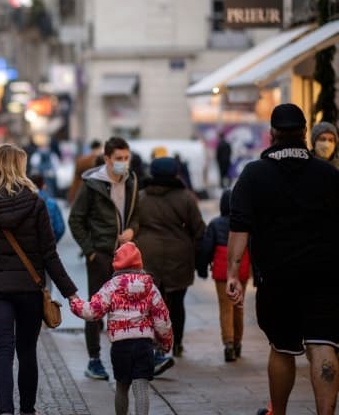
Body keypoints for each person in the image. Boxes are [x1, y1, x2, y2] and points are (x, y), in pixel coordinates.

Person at [227, 103, 339, 415]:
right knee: (324, 345)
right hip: (325, 278)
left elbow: (239, 228)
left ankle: (278, 411)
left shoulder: (254, 175)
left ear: (271, 135)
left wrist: (234, 273)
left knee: (282, 347)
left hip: (278, 280)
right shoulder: (328, 174)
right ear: (305, 133)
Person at [0, 143, 79, 415]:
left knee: (3, 352)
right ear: (19, 167)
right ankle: (27, 410)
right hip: (29, 289)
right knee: (27, 352)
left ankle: (5, 411)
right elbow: (50, 255)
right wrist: (70, 292)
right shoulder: (36, 203)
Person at [71, 242, 173, 415]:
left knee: (121, 386)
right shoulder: (150, 287)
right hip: (144, 345)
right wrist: (165, 343)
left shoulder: (111, 287)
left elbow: (92, 312)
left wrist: (74, 301)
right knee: (141, 388)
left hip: (121, 346)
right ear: (139, 262)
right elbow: (162, 320)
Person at [68, 136, 140, 381]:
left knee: (125, 307)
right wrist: (90, 252)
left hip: (125, 255)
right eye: (118, 159)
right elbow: (75, 220)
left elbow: (136, 215)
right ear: (107, 159)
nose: (123, 163)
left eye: (126, 158)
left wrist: (132, 231)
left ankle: (123, 356)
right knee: (95, 307)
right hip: (100, 254)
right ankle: (94, 359)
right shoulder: (92, 185)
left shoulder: (131, 181)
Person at [136, 157, 205, 368]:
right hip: (179, 256)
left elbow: (133, 224)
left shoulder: (140, 197)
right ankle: (176, 343)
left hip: (148, 255)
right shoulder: (186, 197)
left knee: (151, 304)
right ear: (176, 173)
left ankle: (154, 342)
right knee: (177, 303)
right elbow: (199, 228)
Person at [197, 190, 250, 362]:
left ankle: (228, 344)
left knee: (225, 308)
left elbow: (206, 248)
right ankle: (238, 343)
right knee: (239, 306)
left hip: (221, 269)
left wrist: (202, 268)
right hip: (242, 267)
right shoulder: (245, 222)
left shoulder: (215, 223)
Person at [30, 174, 65, 243]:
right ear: (44, 186)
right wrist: (52, 242)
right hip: (48, 243)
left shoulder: (23, 202)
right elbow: (60, 229)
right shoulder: (52, 203)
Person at [67, 139, 102, 204]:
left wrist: (71, 195)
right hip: (95, 191)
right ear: (100, 147)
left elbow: (75, 178)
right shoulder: (101, 160)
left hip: (79, 189)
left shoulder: (81, 160)